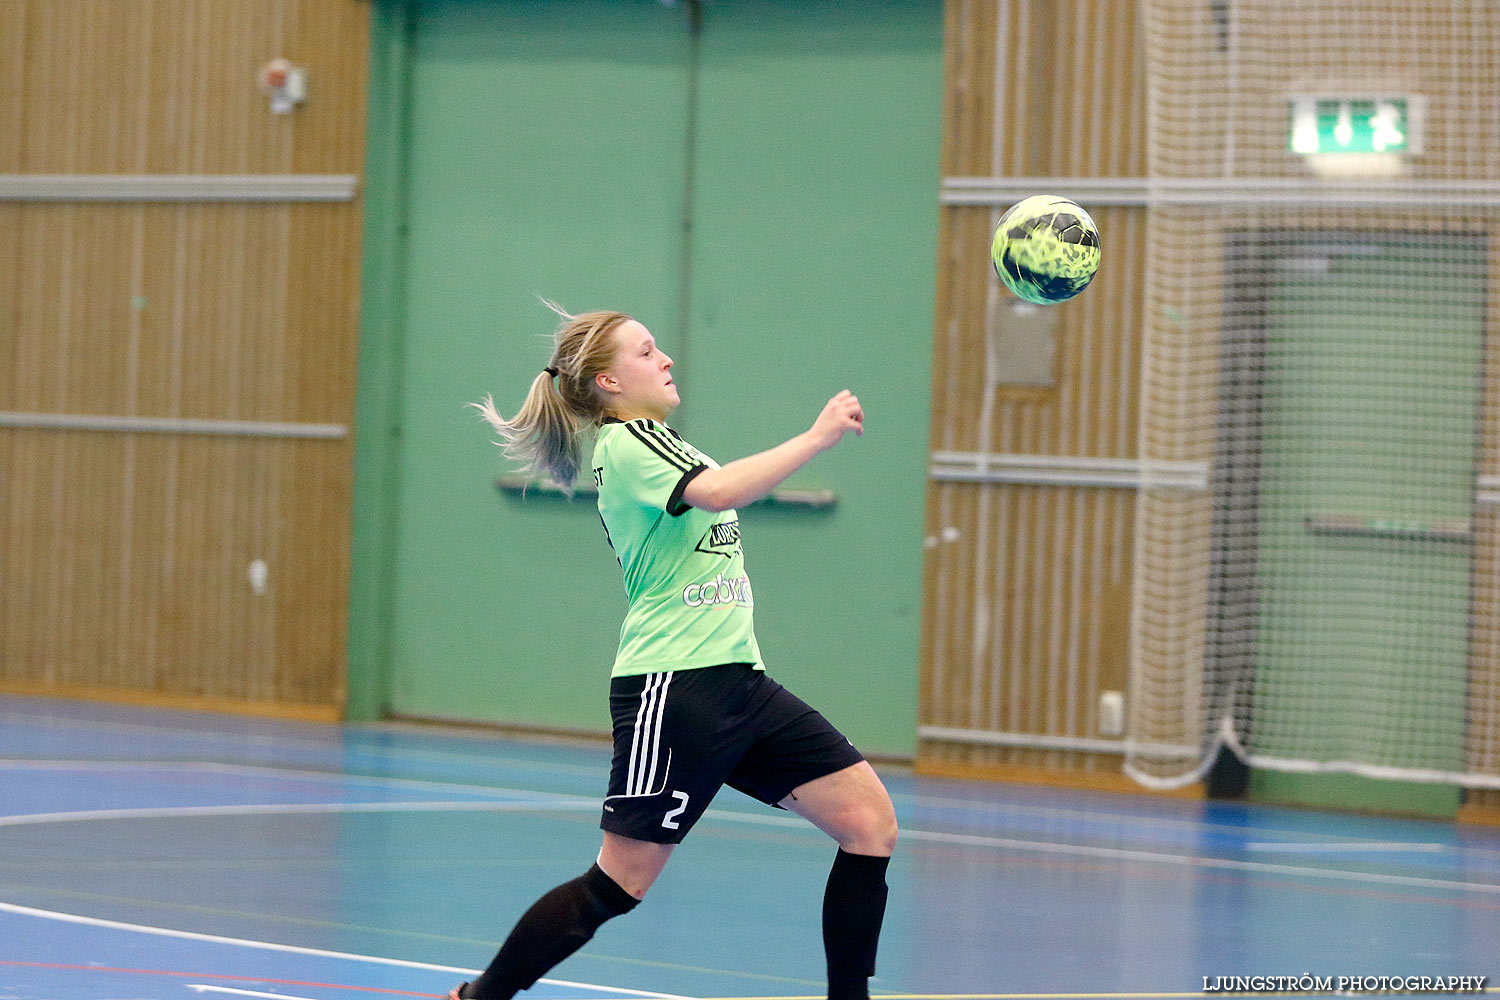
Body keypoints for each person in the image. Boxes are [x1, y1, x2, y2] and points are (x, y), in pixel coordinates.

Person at [457, 303, 897, 1000]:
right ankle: (480, 998)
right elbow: (720, 491)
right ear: (607, 382)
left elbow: (712, 491)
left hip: (738, 685)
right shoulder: (632, 443)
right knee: (619, 883)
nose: (664, 359)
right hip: (676, 688)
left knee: (868, 822)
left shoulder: (659, 443)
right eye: (647, 351)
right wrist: (815, 438)